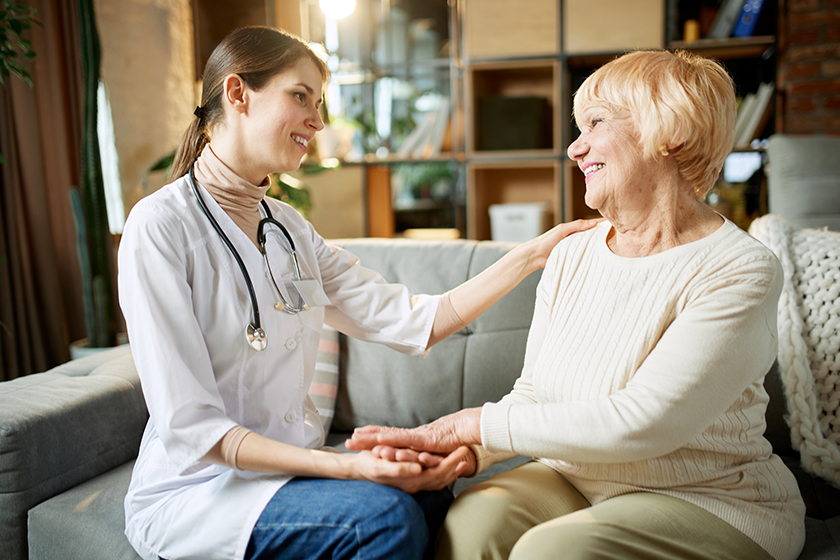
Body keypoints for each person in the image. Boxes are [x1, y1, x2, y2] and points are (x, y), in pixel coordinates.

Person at [117, 26, 597, 560]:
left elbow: (418, 320)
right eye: (300, 96)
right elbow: (193, 430)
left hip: (287, 476)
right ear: (237, 94)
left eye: (318, 103)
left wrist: (532, 254)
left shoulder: (289, 229)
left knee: (432, 490)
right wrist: (347, 463)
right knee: (384, 520)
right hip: (199, 493)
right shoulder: (160, 227)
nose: (317, 121)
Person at [347, 49, 807, 560]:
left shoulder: (739, 268)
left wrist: (474, 424)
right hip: (576, 478)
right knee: (472, 521)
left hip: (709, 499)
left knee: (554, 551)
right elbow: (534, 396)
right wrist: (463, 454)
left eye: (594, 123)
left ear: (668, 129)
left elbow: (645, 423)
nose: (573, 148)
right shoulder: (572, 254)